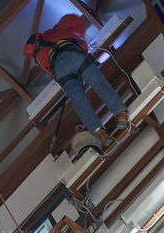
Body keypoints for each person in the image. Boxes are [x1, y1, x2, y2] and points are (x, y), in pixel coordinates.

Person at [24, 12, 128, 147]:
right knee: (98, 83)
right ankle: (120, 114)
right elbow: (81, 45)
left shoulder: (38, 56)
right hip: (73, 55)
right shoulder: (55, 31)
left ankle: (99, 133)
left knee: (79, 99)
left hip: (60, 72)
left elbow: (52, 72)